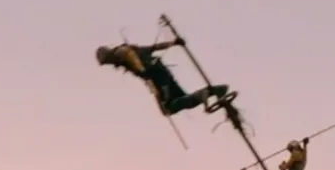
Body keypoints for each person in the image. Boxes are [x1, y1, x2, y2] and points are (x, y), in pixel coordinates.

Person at [95, 40, 232, 116]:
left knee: (168, 108)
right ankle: (212, 91)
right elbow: (154, 47)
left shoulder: (122, 53)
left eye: (107, 61)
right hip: (162, 73)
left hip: (157, 77)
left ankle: (203, 94)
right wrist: (173, 43)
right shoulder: (133, 50)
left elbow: (139, 66)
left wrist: (144, 71)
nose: (109, 64)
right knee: (182, 100)